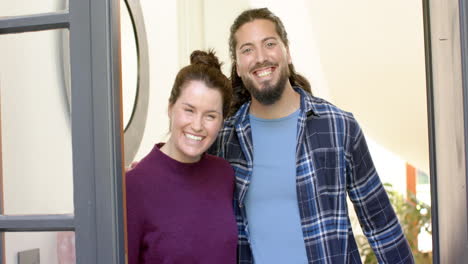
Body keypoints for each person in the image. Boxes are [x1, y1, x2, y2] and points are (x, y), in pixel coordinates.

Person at [208, 7, 414, 264]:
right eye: (247, 49)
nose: (260, 57)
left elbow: (381, 224)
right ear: (238, 67)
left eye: (269, 44)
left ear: (287, 52)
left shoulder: (339, 126)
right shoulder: (224, 140)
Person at [125, 50, 237, 264]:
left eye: (210, 116)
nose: (197, 125)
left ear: (222, 121)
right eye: (189, 110)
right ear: (170, 108)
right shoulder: (133, 186)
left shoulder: (224, 174)